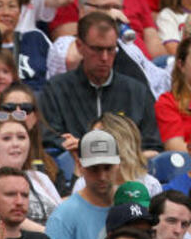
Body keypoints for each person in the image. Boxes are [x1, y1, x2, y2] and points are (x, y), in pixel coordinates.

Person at [41, 11, 161, 152]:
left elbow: (152, 146)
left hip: (127, 169)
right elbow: (50, 139)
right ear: (80, 46)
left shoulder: (137, 91)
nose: (104, 57)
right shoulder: (56, 89)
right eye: (97, 49)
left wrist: (89, 146)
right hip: (75, 168)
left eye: (110, 49)